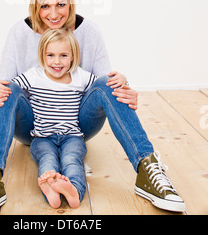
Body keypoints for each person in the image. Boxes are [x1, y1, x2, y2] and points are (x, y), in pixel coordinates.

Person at [0, 0, 185, 215]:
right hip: (33, 126)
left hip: (76, 125)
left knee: (108, 84)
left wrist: (121, 88)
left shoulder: (89, 32)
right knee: (6, 88)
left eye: (61, 4)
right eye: (45, 6)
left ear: (70, 2)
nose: (53, 14)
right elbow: (4, 87)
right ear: (34, 5)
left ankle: (148, 169)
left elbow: (103, 84)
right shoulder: (18, 33)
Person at [11, 27, 127, 209]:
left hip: (72, 136)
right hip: (42, 138)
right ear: (42, 55)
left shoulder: (81, 77)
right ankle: (51, 191)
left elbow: (103, 88)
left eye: (63, 56)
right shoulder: (33, 76)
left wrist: (123, 80)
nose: (57, 62)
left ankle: (74, 191)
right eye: (50, 55)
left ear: (73, 57)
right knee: (47, 161)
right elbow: (11, 90)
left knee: (72, 160)